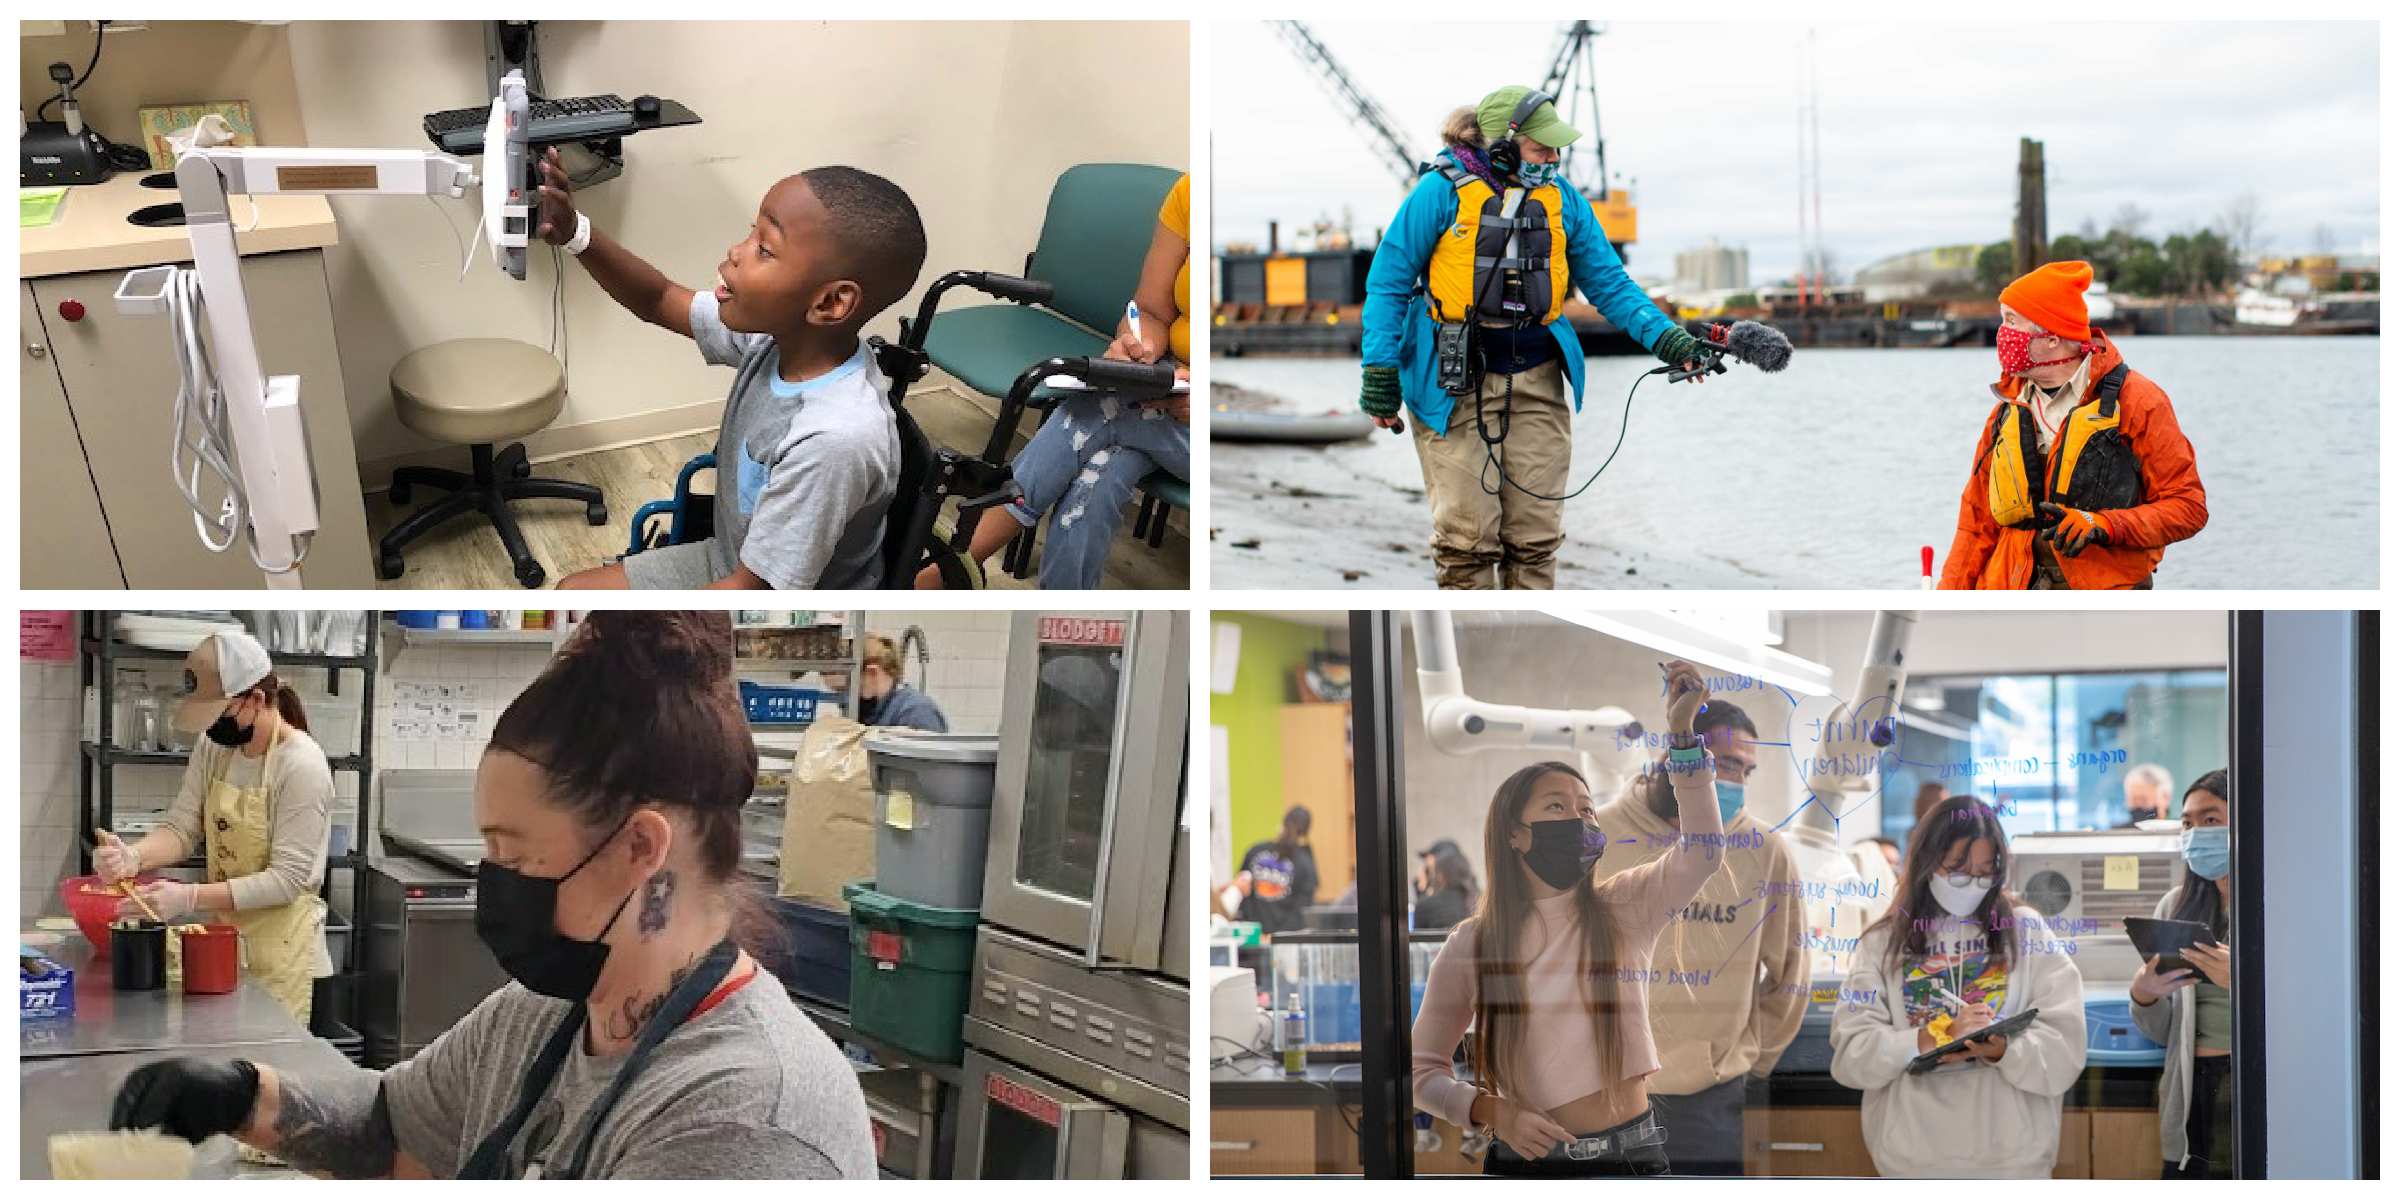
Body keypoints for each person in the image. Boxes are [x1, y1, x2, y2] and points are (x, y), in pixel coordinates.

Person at [107, 613, 874, 1178]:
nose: (493, 879)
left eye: (514, 852)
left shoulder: (749, 1124)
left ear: (642, 849)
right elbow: (392, 1127)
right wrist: (245, 1098)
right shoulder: (541, 1016)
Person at [1358, 87, 1705, 590]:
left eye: (1557, 148)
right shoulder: (1438, 193)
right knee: (1466, 541)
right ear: (1503, 144)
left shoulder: (1565, 200)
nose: (1553, 158)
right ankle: (1472, 640)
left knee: (1536, 541)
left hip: (1538, 380)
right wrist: (1380, 372)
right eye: (1542, 148)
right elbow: (1388, 283)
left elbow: (1610, 284)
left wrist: (1670, 341)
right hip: (1451, 385)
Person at [547, 149, 928, 589]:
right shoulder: (779, 339)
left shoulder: (833, 441)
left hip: (780, 608)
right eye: (751, 234)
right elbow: (660, 299)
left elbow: (751, 598)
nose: (736, 252)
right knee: (572, 597)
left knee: (591, 617)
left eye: (764, 249)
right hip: (733, 561)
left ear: (829, 303)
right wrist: (576, 233)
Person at [1411, 661, 1725, 1177]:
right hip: (1529, 1166)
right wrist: (1492, 1111)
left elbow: (1704, 852)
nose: (1578, 819)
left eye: (1586, 809)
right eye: (1557, 807)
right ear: (1515, 834)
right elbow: (1421, 1071)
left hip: (1635, 1159)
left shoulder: (1625, 906)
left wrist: (1683, 737)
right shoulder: (1473, 944)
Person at [926, 172, 1192, 590]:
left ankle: (955, 565)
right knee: (1100, 472)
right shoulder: (1194, 192)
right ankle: (1062, 604)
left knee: (1099, 408)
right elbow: (1150, 310)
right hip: (1168, 398)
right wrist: (1136, 347)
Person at [1590, 698, 1807, 1175]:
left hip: (1706, 1097)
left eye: (1747, 771)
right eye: (1728, 763)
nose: (1737, 781)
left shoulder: (1763, 850)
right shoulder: (1598, 835)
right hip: (1599, 1090)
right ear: (1681, 751)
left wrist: (1749, 1058)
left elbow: (1791, 970)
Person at [1829, 796, 2087, 1177]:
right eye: (1959, 872)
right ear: (1927, 863)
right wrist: (1931, 1037)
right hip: (1913, 1161)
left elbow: (2065, 1049)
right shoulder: (1882, 943)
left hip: (2011, 1159)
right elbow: (1852, 1057)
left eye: (1986, 873)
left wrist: (2003, 1049)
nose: (1973, 885)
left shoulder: (2026, 931)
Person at [95, 631, 334, 1025]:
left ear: (256, 700)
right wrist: (133, 857)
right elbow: (182, 828)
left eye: (220, 713)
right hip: (222, 945)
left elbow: (287, 880)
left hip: (282, 952)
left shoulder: (302, 765)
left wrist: (189, 898)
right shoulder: (215, 747)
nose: (212, 726)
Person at [1939, 260, 2208, 589]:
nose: (2001, 334)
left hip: (2103, 601)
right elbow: (1976, 524)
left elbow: (2188, 508)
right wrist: (1944, 601)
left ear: (2052, 338)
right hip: (2009, 592)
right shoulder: (2006, 411)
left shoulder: (2139, 401)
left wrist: (2104, 525)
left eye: (2011, 321)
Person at [2130, 768, 2234, 1178]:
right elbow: (2162, 1033)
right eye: (2188, 823)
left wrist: (2243, 984)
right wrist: (2145, 995)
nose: (2196, 833)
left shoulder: (2279, 902)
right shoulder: (2174, 907)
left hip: (2250, 1083)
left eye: (2211, 820)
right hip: (2189, 1088)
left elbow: (2317, 1012)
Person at [1231, 805, 1319, 936]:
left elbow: (1241, 893)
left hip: (1252, 936)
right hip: (1284, 940)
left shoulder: (1255, 850)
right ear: (1306, 832)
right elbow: (1302, 910)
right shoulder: (1305, 863)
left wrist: (1257, 932)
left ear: (1283, 824)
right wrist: (1275, 937)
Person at [855, 634, 947, 732]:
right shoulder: (872, 708)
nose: (846, 689)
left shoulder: (917, 712)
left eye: (850, 680)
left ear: (872, 672)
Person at [1411, 839, 1480, 931]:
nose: (1423, 873)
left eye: (1430, 869)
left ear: (1441, 873)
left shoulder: (1428, 905)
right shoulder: (1479, 898)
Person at [2118, 763, 2174, 827]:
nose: (2138, 806)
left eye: (2143, 800)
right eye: (2133, 801)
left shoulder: (2181, 832)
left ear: (2165, 797)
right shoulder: (2117, 834)